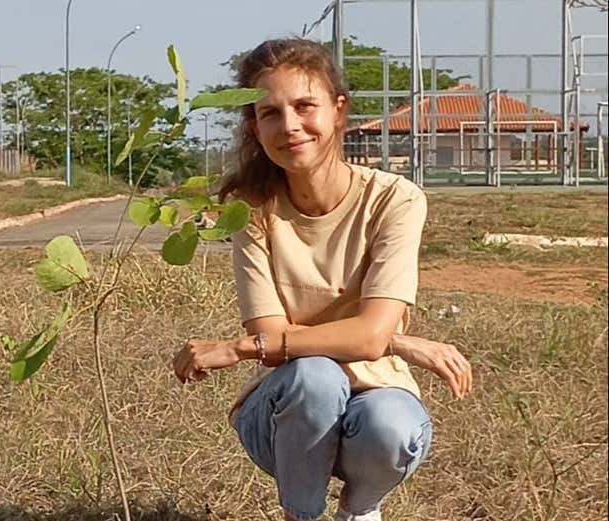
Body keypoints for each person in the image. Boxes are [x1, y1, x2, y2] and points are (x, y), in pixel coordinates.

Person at [172, 38, 473, 521]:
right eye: (269, 112)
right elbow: (274, 334)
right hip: (283, 414)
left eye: (304, 106)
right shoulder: (251, 212)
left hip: (377, 393)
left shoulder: (394, 200)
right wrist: (393, 342)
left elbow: (314, 338)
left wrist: (236, 349)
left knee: (391, 425)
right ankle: (302, 513)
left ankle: (360, 508)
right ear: (254, 125)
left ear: (338, 110)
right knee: (315, 375)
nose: (290, 126)